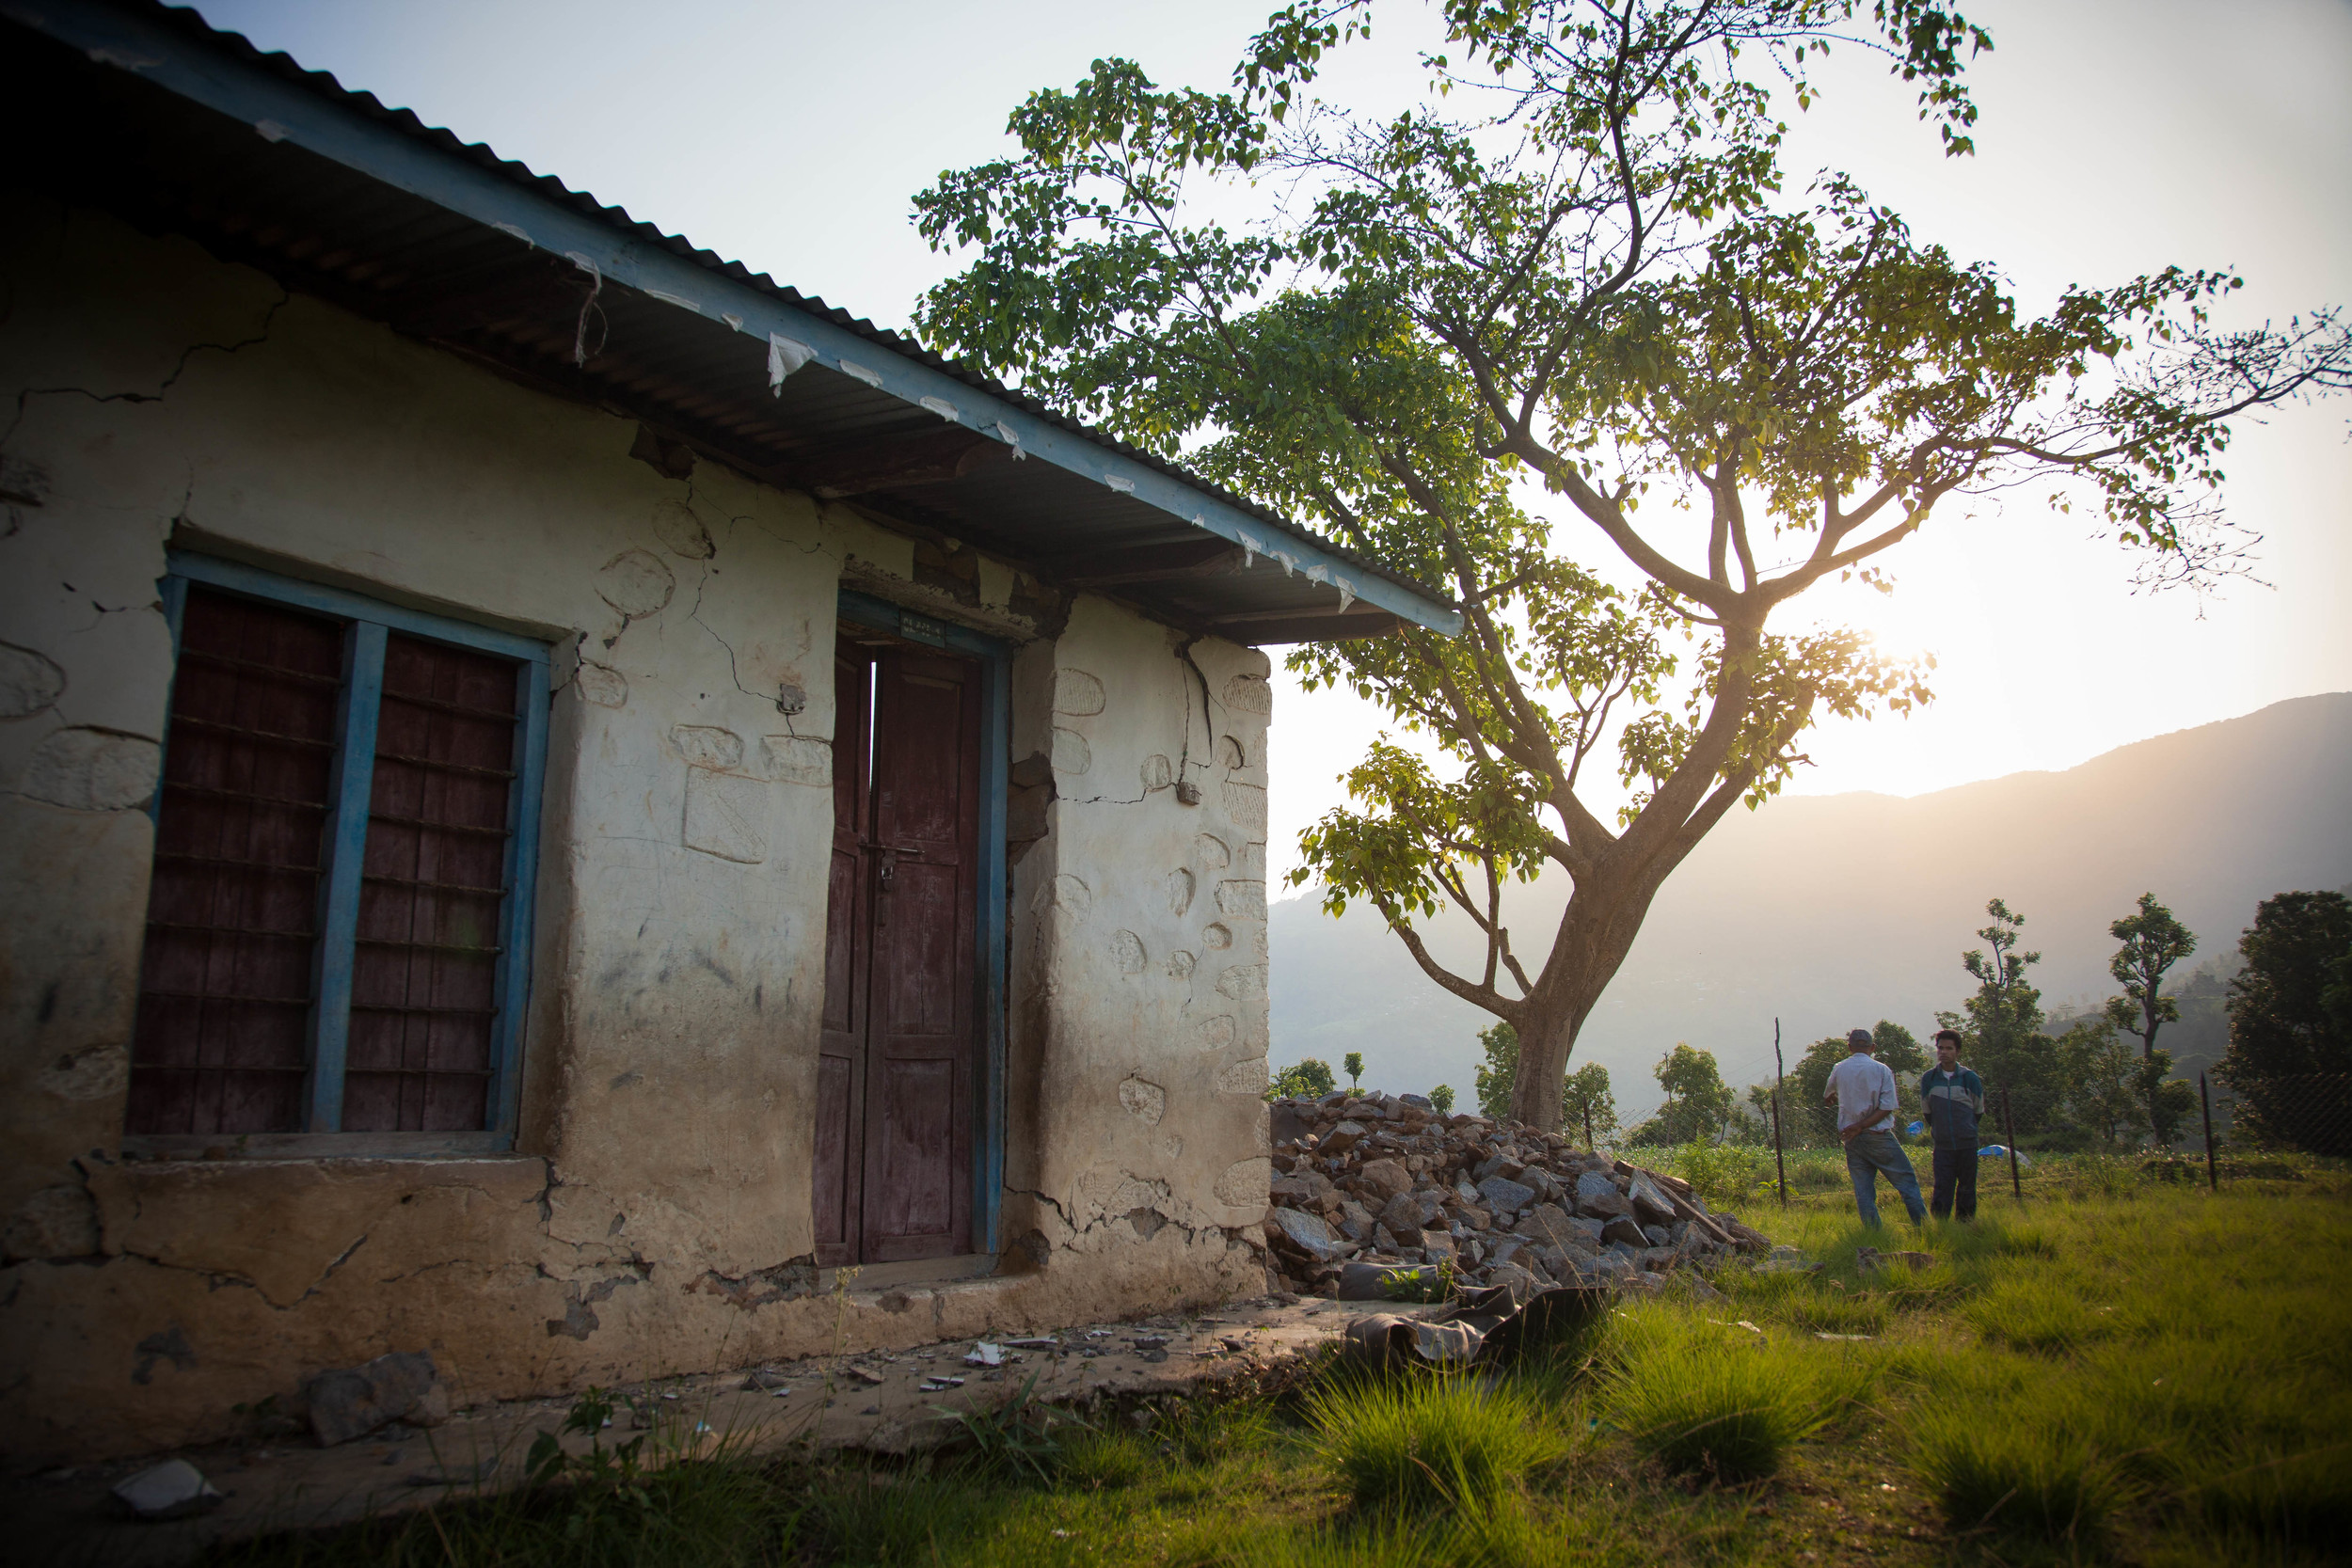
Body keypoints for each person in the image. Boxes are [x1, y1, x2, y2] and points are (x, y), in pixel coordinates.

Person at [1824, 1027, 1926, 1227]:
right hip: (1878, 1135)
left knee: (1864, 1192)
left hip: (1851, 1138)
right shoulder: (1881, 1069)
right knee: (1907, 1184)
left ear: (1849, 1047)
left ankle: (1873, 1233)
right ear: (1872, 1047)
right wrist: (1861, 1125)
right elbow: (1887, 1107)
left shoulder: (1840, 1068)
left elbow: (1828, 1095)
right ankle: (1923, 1226)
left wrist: (1837, 1098)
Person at [1918, 1027, 1985, 1221]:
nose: (1944, 1052)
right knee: (1942, 1186)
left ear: (1958, 1051)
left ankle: (1965, 1226)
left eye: (1949, 1048)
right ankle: (1941, 1225)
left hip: (1967, 1143)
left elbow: (1978, 1110)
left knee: (1966, 1187)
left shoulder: (1969, 1078)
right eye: (1940, 1048)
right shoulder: (1929, 1079)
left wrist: (1966, 1129)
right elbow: (1927, 1110)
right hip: (1943, 1144)